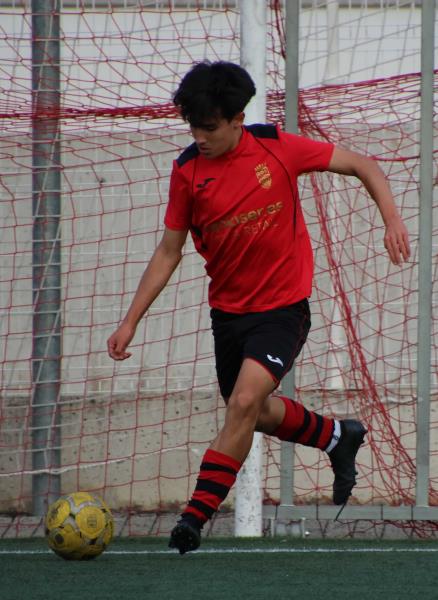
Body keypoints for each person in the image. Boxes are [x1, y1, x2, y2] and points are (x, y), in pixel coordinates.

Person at [107, 61, 410, 554]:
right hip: (228, 315)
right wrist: (130, 321)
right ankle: (338, 436)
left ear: (237, 120)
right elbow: (168, 251)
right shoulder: (187, 172)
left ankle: (194, 519)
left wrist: (391, 219)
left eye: (209, 128)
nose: (199, 137)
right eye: (193, 127)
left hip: (283, 309)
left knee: (244, 402)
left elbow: (363, 165)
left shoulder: (276, 147)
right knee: (253, 412)